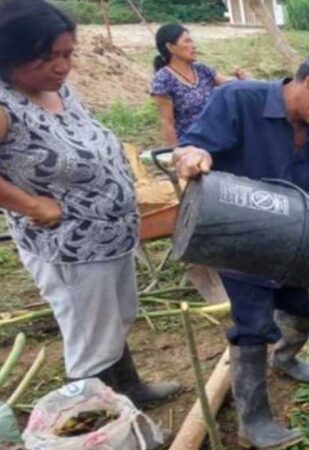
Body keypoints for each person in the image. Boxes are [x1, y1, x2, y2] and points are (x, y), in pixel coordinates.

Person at [173, 52, 309, 449]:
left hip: (292, 238)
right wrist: (192, 156)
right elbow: (192, 147)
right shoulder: (239, 101)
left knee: (307, 301)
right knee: (254, 322)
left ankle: (287, 358)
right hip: (239, 238)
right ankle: (253, 419)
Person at [0, 0, 178, 405]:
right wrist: (30, 205)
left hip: (110, 234)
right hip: (70, 248)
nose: (63, 66)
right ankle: (95, 419)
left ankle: (129, 389)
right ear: (10, 54)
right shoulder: (5, 105)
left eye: (68, 54)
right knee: (90, 339)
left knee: (114, 320)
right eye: (49, 58)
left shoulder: (57, 88)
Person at [151, 23, 244, 147]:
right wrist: (176, 153)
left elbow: (230, 86)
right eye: (187, 41)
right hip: (191, 146)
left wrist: (241, 80)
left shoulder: (202, 69)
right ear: (170, 47)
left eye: (192, 41)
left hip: (217, 138)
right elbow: (167, 123)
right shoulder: (163, 79)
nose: (193, 46)